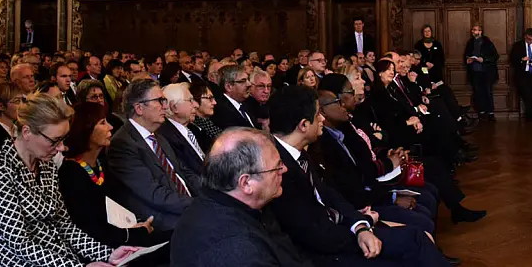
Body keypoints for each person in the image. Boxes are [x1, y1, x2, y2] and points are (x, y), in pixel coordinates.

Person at [267, 86, 452, 267]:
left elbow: (329, 195)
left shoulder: (296, 153)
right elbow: (313, 234)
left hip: (339, 230)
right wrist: (361, 230)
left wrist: (359, 223)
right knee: (416, 240)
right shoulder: (277, 168)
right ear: (304, 125)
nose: (322, 118)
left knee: (417, 237)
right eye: (317, 115)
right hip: (324, 253)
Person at [0, 92, 139, 266]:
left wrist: (108, 254)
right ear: (26, 132)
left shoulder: (46, 165)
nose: (62, 148)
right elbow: (20, 244)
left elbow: (64, 226)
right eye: (54, 141)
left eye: (63, 139)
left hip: (64, 258)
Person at [170, 127, 312, 266]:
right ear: (246, 183)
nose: (284, 169)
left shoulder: (224, 202)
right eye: (277, 167)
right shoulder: (236, 249)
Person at [59, 102, 172, 256]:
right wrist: (135, 233)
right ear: (85, 129)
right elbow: (91, 229)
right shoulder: (71, 174)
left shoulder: (100, 163)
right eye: (102, 123)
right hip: (102, 250)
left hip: (123, 234)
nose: (110, 127)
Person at [107, 79, 201, 231]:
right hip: (165, 218)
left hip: (185, 205)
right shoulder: (122, 144)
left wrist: (213, 190)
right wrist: (197, 204)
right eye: (159, 100)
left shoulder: (158, 135)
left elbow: (184, 172)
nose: (165, 106)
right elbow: (154, 194)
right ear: (139, 108)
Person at [463, 24, 499, 121]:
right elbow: (466, 55)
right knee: (478, 93)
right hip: (475, 71)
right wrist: (468, 60)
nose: (475, 32)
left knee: (488, 92)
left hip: (486, 72)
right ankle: (481, 112)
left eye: (477, 30)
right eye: (473, 30)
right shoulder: (470, 42)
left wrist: (484, 59)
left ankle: (490, 113)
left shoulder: (487, 42)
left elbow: (495, 56)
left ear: (481, 31)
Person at [511, 28, 532, 121]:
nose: (531, 41)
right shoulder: (518, 46)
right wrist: (522, 59)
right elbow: (512, 59)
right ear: (525, 36)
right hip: (522, 75)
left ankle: (531, 114)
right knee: (525, 94)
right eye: (529, 39)